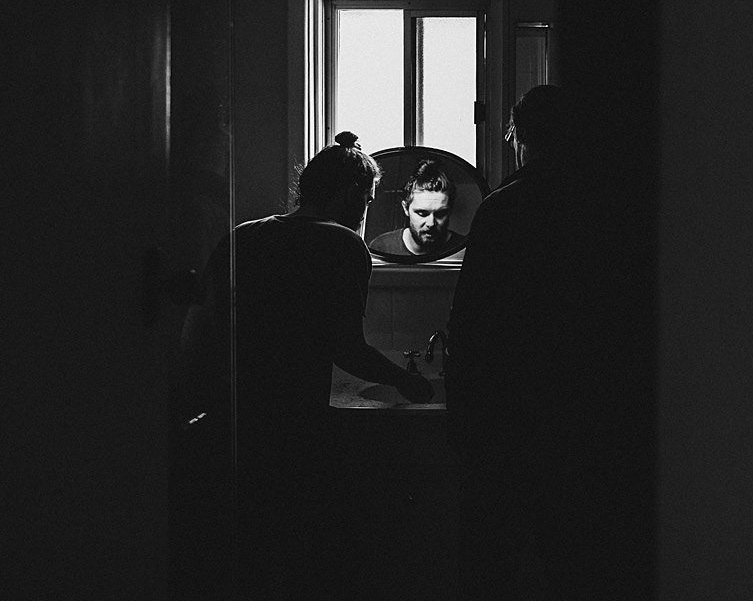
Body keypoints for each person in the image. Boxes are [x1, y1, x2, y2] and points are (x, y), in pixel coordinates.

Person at [178, 131, 433, 598]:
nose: (366, 213)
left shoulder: (243, 234)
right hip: (294, 422)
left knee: (243, 554)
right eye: (368, 199)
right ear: (350, 194)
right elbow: (348, 350)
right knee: (301, 552)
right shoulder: (341, 245)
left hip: (231, 419)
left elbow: (199, 330)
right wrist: (404, 379)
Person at [445, 84, 571, 599]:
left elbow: (471, 325)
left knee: (491, 562)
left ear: (518, 136)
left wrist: (464, 419)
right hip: (577, 414)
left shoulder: (502, 210)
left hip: (507, 417)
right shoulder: (606, 208)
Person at [369, 158, 467, 258]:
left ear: (450, 211)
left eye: (440, 214)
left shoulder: (465, 248)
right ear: (405, 208)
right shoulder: (381, 246)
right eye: (422, 213)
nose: (431, 223)